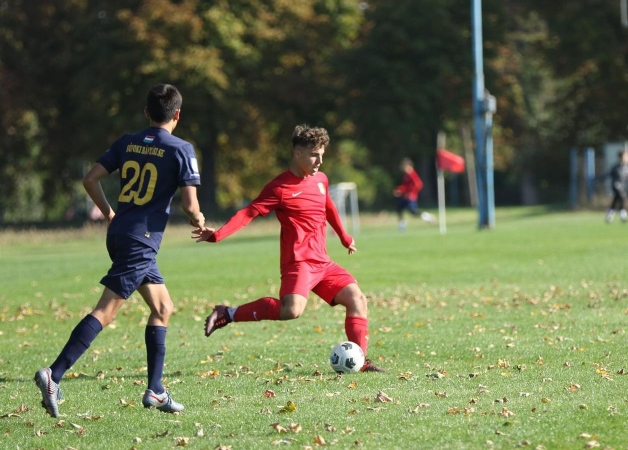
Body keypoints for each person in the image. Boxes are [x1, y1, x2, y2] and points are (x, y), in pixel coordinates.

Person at [35, 84, 205, 417]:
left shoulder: (128, 141)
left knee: (163, 307)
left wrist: (110, 213)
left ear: (147, 113)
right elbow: (190, 204)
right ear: (178, 115)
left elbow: (90, 179)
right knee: (107, 311)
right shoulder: (181, 148)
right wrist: (200, 220)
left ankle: (156, 390)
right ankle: (54, 374)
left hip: (121, 234)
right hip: (141, 240)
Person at [194, 125, 385, 372]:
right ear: (297, 154)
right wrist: (218, 234)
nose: (320, 161)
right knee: (291, 311)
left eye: (322, 154)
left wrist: (344, 237)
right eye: (314, 155)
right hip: (299, 262)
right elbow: (249, 212)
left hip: (323, 263)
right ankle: (227, 313)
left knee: (357, 298)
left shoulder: (321, 180)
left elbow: (328, 208)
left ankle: (360, 362)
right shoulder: (279, 188)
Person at [393, 157, 435, 230]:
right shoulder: (406, 175)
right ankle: (402, 226)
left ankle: (428, 217)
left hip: (411, 197)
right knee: (399, 208)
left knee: (414, 212)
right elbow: (405, 186)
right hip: (405, 197)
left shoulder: (412, 175)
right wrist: (399, 190)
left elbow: (419, 185)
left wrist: (411, 192)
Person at [605, 150, 628, 223]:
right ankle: (623, 216)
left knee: (615, 201)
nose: (627, 158)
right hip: (616, 186)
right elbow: (609, 175)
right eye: (625, 157)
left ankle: (609, 215)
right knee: (622, 198)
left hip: (623, 187)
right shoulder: (616, 167)